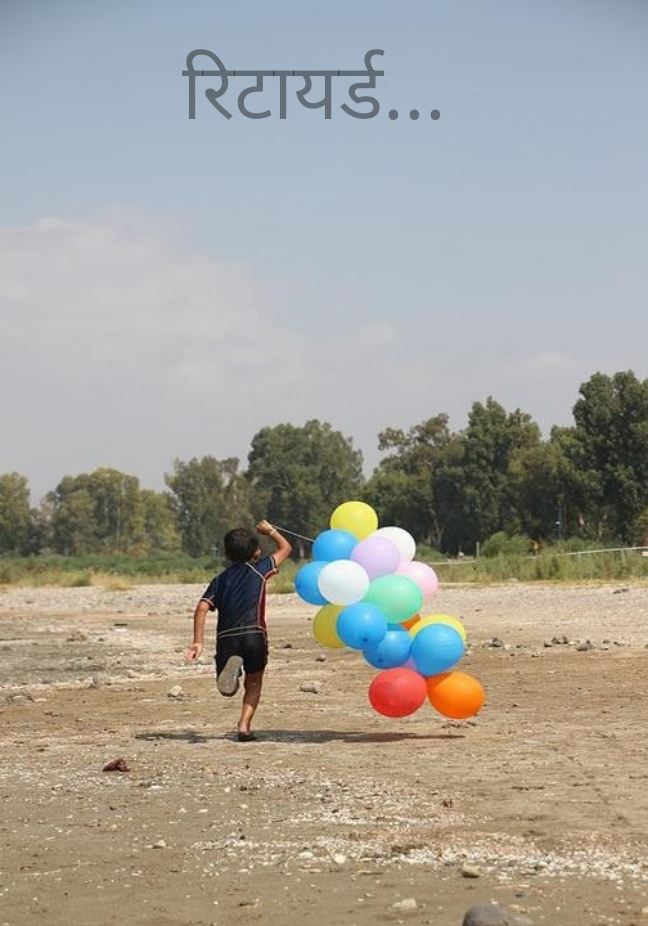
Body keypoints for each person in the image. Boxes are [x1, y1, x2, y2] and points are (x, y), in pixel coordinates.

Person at [185, 520, 292, 742]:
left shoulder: (219, 580)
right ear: (257, 552)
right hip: (254, 634)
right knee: (254, 681)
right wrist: (271, 531)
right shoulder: (260, 569)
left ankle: (230, 676)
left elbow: (202, 607)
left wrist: (198, 642)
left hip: (227, 638)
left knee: (227, 689)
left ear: (225, 554)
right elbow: (286, 548)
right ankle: (244, 726)